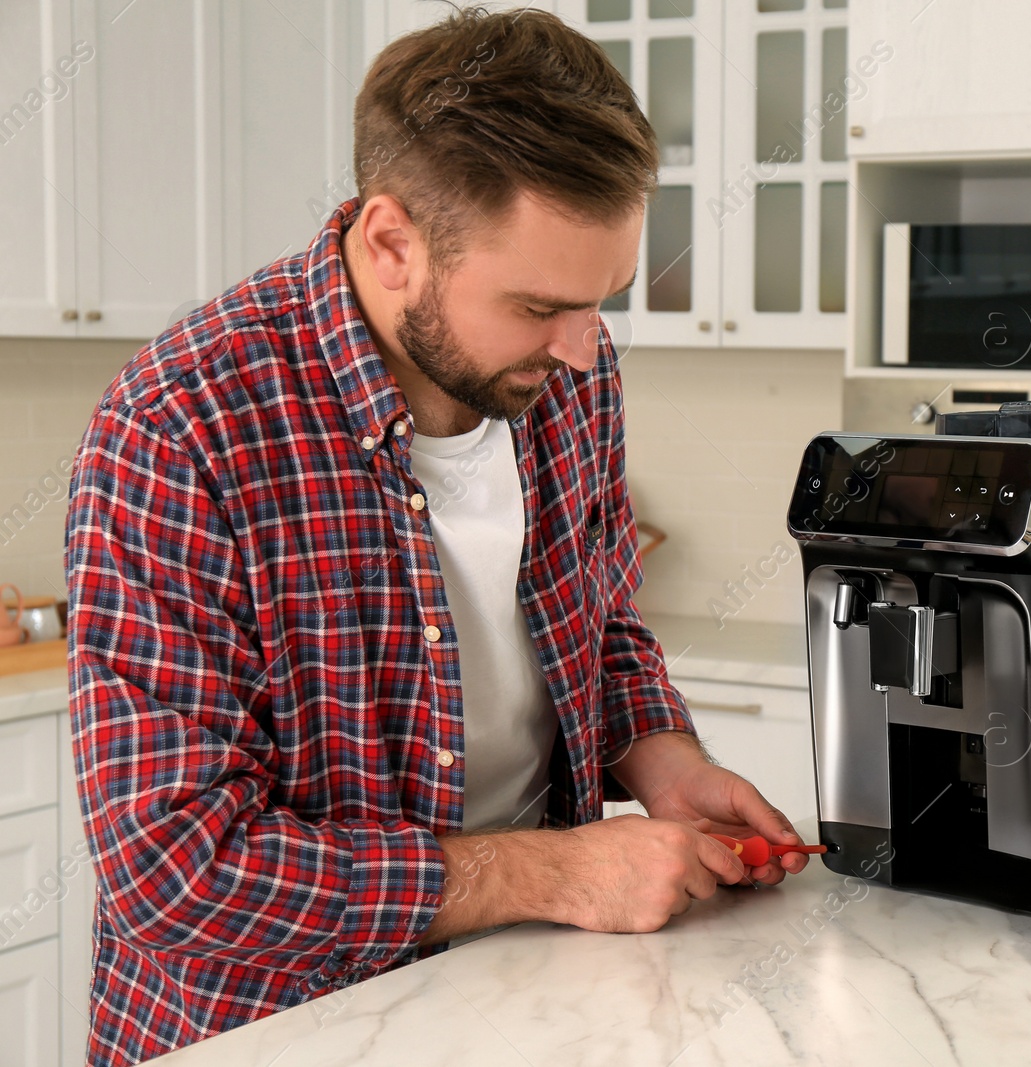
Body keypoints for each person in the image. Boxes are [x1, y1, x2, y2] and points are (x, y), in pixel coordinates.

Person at [64, 8, 809, 1065]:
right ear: (390, 242)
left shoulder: (563, 377)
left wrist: (661, 754)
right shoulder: (182, 428)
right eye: (541, 305)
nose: (586, 349)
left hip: (521, 993)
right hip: (267, 1032)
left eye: (604, 302)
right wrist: (552, 871)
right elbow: (175, 872)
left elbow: (596, 619)